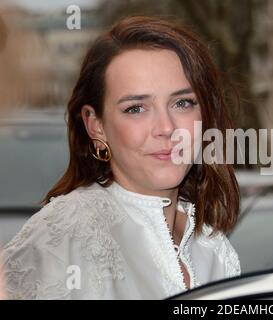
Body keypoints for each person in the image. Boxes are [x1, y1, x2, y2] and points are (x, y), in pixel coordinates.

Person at [1, 16, 241, 299]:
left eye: (182, 103)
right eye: (136, 108)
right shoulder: (62, 235)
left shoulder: (213, 248)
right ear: (96, 125)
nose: (166, 128)